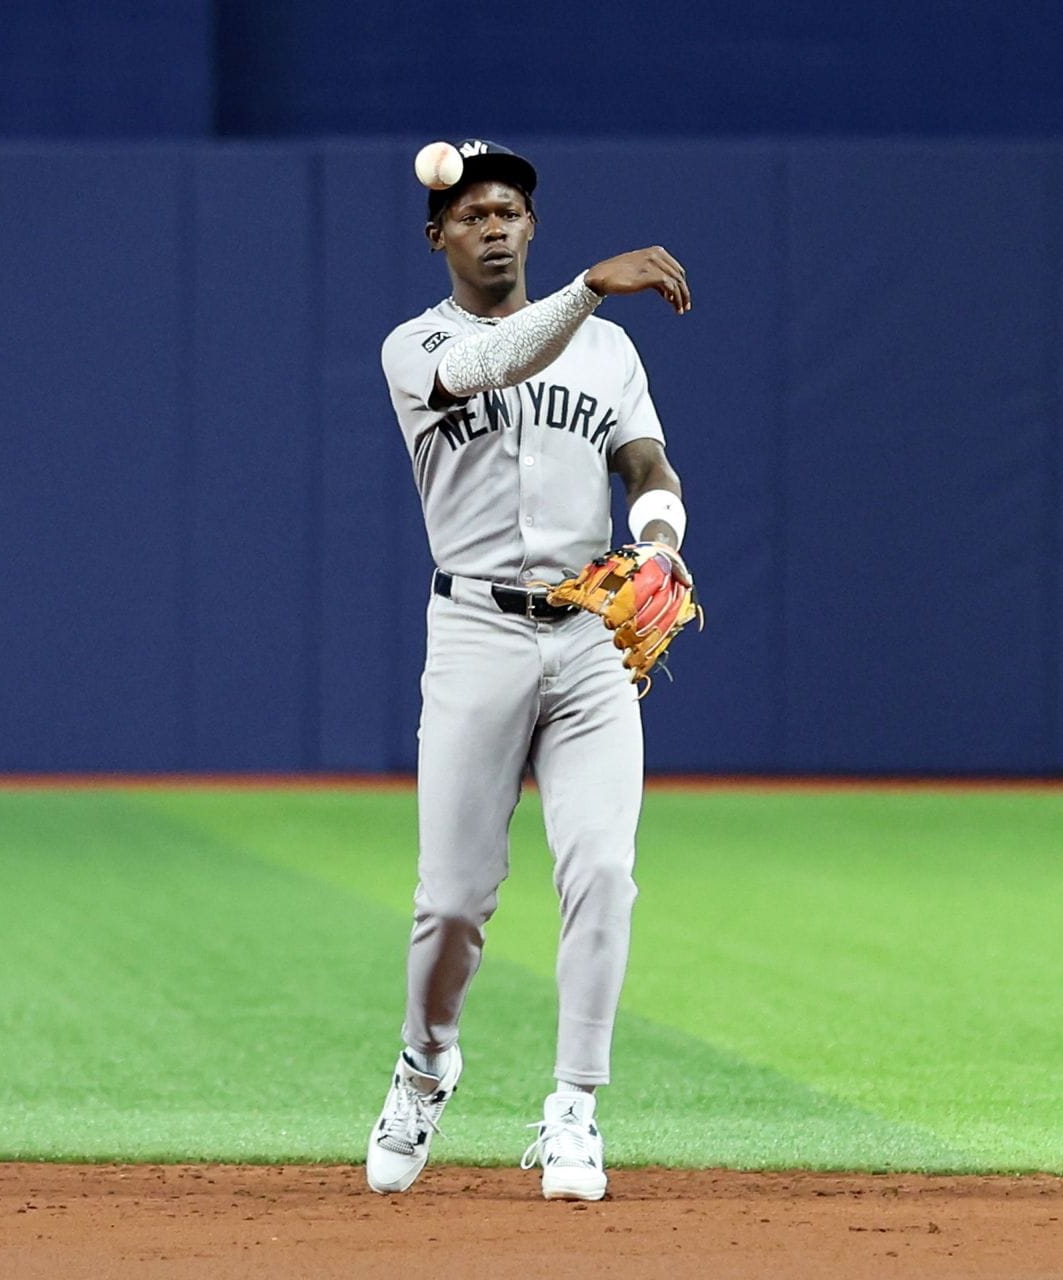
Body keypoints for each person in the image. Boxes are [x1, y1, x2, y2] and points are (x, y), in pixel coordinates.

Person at [368, 139, 692, 1202]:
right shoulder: (415, 347)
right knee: (454, 902)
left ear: (531, 225)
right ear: (439, 237)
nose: (494, 226)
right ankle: (426, 1063)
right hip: (476, 634)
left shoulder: (608, 353)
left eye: (509, 210)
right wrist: (592, 283)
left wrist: (658, 541)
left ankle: (575, 1108)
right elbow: (496, 362)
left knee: (601, 868)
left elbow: (646, 462)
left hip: (589, 637)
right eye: (473, 215)